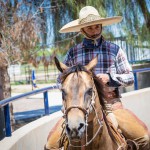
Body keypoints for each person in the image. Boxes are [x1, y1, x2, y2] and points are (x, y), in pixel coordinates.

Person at [45, 6, 150, 150]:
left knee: (144, 137)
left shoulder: (115, 50)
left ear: (101, 26)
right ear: (82, 30)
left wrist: (110, 78)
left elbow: (130, 77)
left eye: (97, 27)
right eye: (90, 28)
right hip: (80, 106)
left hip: (111, 105)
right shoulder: (73, 53)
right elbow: (60, 80)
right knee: (50, 145)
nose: (94, 31)